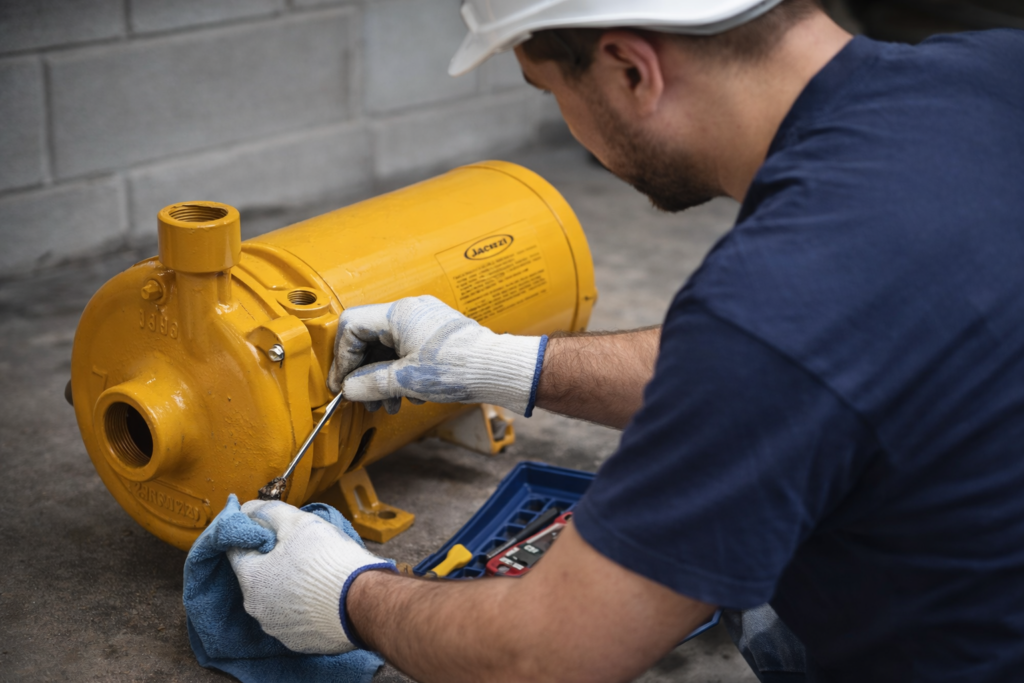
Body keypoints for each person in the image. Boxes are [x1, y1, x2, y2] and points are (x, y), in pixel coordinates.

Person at [224, 1, 1024, 681]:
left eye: (550, 92)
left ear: (631, 70)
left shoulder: (773, 305)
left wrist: (348, 594)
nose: (570, 127)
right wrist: (509, 363)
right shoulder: (998, 69)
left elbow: (543, 654)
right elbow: (817, 361)